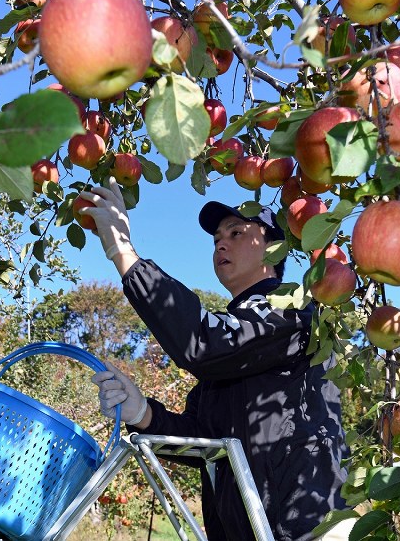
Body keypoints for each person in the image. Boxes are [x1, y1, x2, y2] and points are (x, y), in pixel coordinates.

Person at [80, 178, 348, 541]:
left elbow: (203, 343)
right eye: (217, 239)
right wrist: (142, 414)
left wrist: (123, 251)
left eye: (236, 233)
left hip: (306, 530)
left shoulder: (290, 307)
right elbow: (205, 442)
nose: (221, 243)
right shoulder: (237, 345)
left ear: (273, 248)